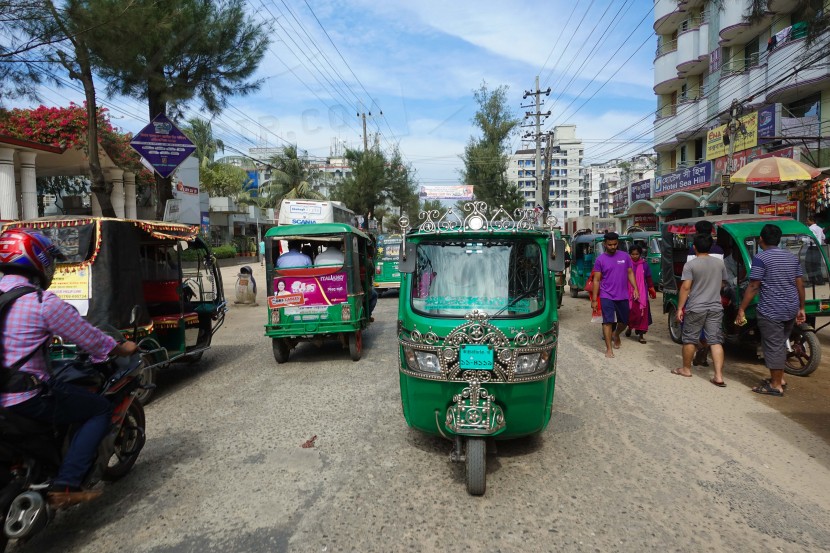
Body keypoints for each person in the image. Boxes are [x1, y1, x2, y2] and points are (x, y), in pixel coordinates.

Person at [0, 229, 138, 506]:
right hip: (24, 398)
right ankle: (66, 485)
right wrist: (122, 347)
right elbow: (91, 339)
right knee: (98, 409)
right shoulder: (40, 303)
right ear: (37, 259)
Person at [736, 224, 806, 396]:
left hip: (771, 310)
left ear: (761, 239)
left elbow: (753, 286)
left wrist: (741, 309)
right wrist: (802, 307)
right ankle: (779, 378)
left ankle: (775, 385)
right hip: (790, 308)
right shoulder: (791, 257)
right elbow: (800, 284)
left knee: (773, 346)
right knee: (780, 343)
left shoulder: (761, 258)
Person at [672, 233, 728, 387]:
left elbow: (686, 287)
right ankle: (718, 376)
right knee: (715, 341)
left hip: (696, 306)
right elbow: (723, 283)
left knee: (690, 338)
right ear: (710, 247)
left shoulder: (691, 265)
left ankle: (686, 369)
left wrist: (680, 308)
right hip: (716, 307)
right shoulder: (719, 264)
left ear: (694, 247)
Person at [591, 232, 638, 358]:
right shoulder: (600, 260)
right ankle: (609, 349)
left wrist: (636, 288)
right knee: (608, 322)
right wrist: (595, 299)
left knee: (625, 321)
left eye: (615, 244)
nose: (613, 247)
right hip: (606, 295)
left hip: (622, 295)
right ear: (605, 244)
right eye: (610, 244)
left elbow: (630, 273)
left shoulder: (625, 256)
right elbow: (596, 280)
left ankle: (616, 334)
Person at [623, 244, 657, 344]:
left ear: (640, 254)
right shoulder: (626, 264)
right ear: (630, 254)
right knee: (631, 313)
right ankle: (629, 327)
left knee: (642, 315)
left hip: (642, 294)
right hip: (629, 293)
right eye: (632, 254)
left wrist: (651, 288)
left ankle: (641, 335)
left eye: (637, 254)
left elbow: (649, 278)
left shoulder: (645, 265)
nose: (635, 256)